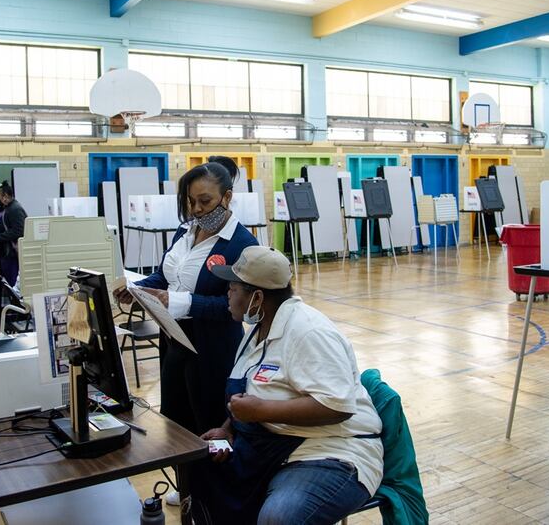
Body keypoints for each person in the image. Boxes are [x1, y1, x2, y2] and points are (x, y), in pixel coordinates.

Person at [191, 246, 384, 525]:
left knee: (279, 517)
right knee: (196, 468)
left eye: (233, 288)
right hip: (273, 445)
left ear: (257, 296)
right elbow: (252, 393)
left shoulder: (309, 332)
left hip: (331, 452)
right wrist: (228, 428)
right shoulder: (257, 330)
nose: (227, 295)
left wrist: (260, 412)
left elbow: (337, 406)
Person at [114, 157, 257, 504]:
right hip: (175, 341)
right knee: (177, 421)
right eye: (191, 201)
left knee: (208, 422)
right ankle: (189, 487)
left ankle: (215, 498)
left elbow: (233, 309)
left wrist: (177, 302)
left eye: (204, 201)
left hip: (212, 349)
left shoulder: (240, 244)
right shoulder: (185, 231)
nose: (196, 209)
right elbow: (166, 276)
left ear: (227, 197)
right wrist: (139, 289)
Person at [0, 181, 27, 286]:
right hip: (8, 252)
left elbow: (18, 231)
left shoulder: (15, 209)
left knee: (12, 282)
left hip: (13, 253)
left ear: (5, 196)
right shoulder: (9, 208)